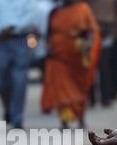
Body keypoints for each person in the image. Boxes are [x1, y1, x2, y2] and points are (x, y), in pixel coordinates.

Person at [41, 0, 101, 129]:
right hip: (57, 54)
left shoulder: (82, 8)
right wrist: (48, 47)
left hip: (77, 54)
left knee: (79, 86)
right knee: (60, 86)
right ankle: (64, 122)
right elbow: (48, 33)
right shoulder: (54, 12)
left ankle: (81, 118)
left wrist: (89, 44)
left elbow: (91, 30)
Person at [0, 0, 36, 129]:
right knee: (0, 78)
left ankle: (17, 119)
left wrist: (11, 27)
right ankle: (9, 107)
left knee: (19, 80)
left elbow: (29, 17)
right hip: (1, 43)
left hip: (20, 41)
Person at [85, 0, 116, 107]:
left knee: (104, 69)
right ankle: (91, 98)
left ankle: (105, 98)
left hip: (104, 38)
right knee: (91, 68)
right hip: (91, 37)